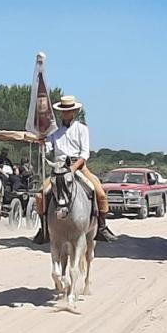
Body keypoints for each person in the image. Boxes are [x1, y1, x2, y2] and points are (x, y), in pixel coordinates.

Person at [33, 96, 116, 243]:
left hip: (79, 166)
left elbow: (84, 154)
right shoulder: (54, 131)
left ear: (74, 112)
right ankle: (44, 228)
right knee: (40, 195)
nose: (66, 113)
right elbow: (49, 149)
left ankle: (101, 227)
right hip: (59, 168)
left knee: (100, 194)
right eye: (64, 111)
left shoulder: (82, 129)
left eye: (69, 111)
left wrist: (72, 168)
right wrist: (42, 144)